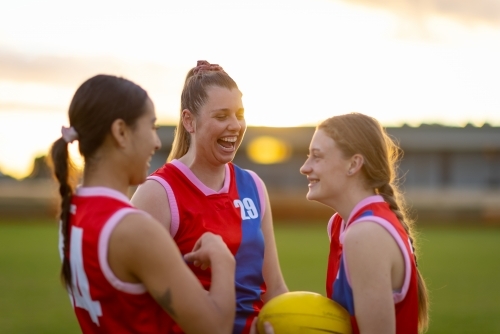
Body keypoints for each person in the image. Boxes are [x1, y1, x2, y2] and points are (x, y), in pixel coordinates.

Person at [49, 74, 236, 334]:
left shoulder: (72, 211)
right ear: (121, 132)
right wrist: (222, 258)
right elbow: (215, 327)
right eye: (151, 128)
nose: (157, 142)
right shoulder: (134, 229)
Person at [131, 60, 288, 334]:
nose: (235, 125)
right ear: (189, 120)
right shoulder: (158, 193)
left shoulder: (253, 185)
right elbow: (134, 300)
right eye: (221, 116)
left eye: (239, 114)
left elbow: (274, 288)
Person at [299, 113, 429, 334]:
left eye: (317, 156)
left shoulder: (367, 233)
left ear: (354, 164)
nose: (305, 167)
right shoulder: (341, 224)